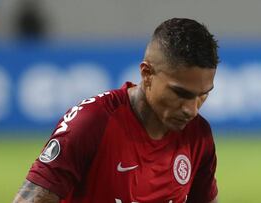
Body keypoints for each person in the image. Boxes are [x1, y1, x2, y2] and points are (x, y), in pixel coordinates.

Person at [13, 18, 219, 203]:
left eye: (202, 94)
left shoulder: (198, 136)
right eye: (181, 93)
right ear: (147, 74)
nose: (191, 110)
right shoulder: (91, 123)